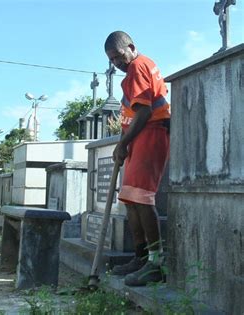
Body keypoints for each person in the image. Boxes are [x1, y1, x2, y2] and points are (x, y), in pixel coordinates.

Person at [104, 31, 170, 286]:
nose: (116, 63)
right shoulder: (133, 70)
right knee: (131, 199)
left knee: (142, 198)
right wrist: (125, 143)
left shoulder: (139, 67)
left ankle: (156, 263)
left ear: (130, 47)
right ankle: (141, 257)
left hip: (150, 133)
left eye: (118, 56)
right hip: (138, 138)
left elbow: (143, 113)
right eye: (111, 60)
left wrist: (123, 143)